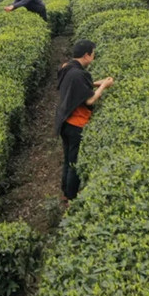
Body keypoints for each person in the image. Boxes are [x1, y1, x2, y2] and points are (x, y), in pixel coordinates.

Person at [54, 40, 114, 202]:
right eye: (93, 55)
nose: (93, 59)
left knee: (67, 159)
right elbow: (89, 100)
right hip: (76, 124)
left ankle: (65, 192)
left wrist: (95, 83)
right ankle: (71, 198)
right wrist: (104, 86)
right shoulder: (80, 74)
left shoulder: (66, 67)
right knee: (75, 163)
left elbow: (76, 85)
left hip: (63, 122)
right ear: (86, 55)